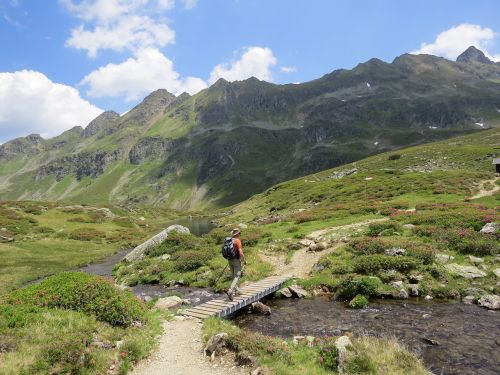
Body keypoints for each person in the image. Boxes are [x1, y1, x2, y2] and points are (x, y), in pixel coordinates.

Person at [227, 227, 246, 301]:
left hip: (229, 260)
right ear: (237, 234)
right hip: (236, 260)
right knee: (237, 276)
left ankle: (237, 291)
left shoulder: (229, 240)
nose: (240, 235)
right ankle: (230, 290)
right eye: (239, 233)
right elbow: (240, 252)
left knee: (233, 276)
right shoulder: (237, 241)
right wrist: (244, 260)